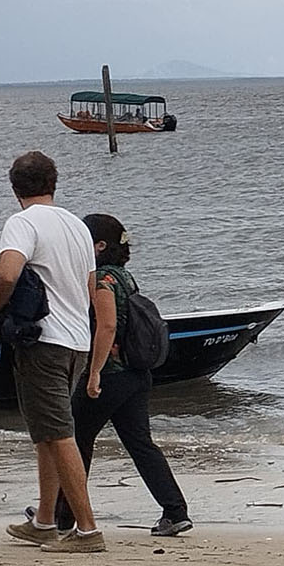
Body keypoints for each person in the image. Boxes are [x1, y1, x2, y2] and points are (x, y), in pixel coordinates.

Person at [0, 150, 116, 554]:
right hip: (76, 340)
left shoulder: (22, 223)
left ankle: (87, 530)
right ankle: (44, 520)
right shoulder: (76, 225)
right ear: (53, 183)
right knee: (45, 432)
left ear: (15, 188)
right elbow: (90, 287)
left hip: (45, 342)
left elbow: (7, 272)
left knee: (58, 434)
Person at [46, 212, 193, 538]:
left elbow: (108, 326)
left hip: (110, 375)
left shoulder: (102, 280)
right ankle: (175, 510)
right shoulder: (125, 277)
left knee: (75, 440)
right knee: (140, 444)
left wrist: (94, 373)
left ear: (98, 246)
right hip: (136, 375)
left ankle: (62, 517)